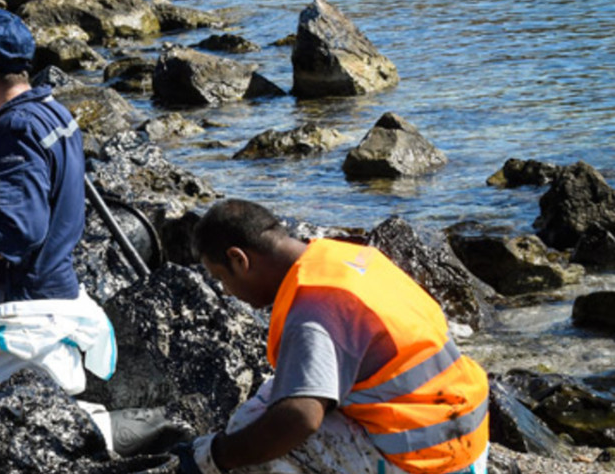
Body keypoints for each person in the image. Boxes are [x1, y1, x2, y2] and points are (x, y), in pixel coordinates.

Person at [0, 8, 189, 458]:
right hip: (49, 296)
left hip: (19, 319)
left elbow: (15, 232)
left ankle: (152, 433)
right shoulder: (49, 112)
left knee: (20, 445)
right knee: (42, 425)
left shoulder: (14, 130)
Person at [178, 199, 490, 474]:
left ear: (239, 260)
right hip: (465, 433)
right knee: (276, 393)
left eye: (220, 278)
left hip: (430, 460)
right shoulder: (341, 256)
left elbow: (299, 420)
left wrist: (214, 457)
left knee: (253, 434)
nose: (225, 291)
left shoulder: (313, 308)